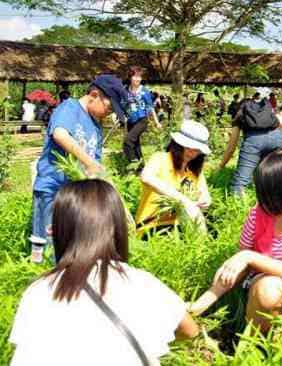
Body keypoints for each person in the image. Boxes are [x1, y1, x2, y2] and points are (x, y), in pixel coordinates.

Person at [10, 180, 199, 365]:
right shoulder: (141, 282)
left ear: (57, 231)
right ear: (118, 229)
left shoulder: (40, 291)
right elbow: (190, 331)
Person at [188, 148, 282, 333]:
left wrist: (249, 256)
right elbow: (238, 266)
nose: (262, 201)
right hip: (264, 285)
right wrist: (201, 303)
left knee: (274, 289)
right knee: (270, 289)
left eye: (267, 194)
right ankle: (254, 343)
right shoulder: (257, 214)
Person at [30, 74, 127, 264]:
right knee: (46, 244)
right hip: (52, 189)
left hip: (73, 199)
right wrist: (89, 162)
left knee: (68, 246)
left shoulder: (96, 127)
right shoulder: (70, 108)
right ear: (94, 94)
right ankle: (40, 283)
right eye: (108, 108)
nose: (109, 113)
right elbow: (60, 134)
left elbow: (96, 168)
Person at [136, 120, 212, 236]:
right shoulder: (160, 159)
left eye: (197, 150)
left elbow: (205, 195)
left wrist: (204, 201)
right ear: (178, 144)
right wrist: (183, 200)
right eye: (188, 147)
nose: (192, 152)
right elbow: (146, 177)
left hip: (182, 224)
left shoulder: (195, 171)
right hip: (152, 226)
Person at [220, 93, 282, 195]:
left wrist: (221, 166)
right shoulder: (266, 110)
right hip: (277, 136)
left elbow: (231, 147)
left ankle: (241, 208)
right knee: (277, 176)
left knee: (239, 184)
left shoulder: (240, 116)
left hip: (254, 141)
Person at [123, 66, 162, 164]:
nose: (137, 79)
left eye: (139, 77)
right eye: (135, 76)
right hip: (130, 121)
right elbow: (123, 104)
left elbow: (150, 107)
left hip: (142, 120)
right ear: (130, 77)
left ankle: (133, 164)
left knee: (128, 141)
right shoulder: (125, 90)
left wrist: (157, 122)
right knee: (136, 144)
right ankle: (141, 167)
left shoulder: (144, 91)